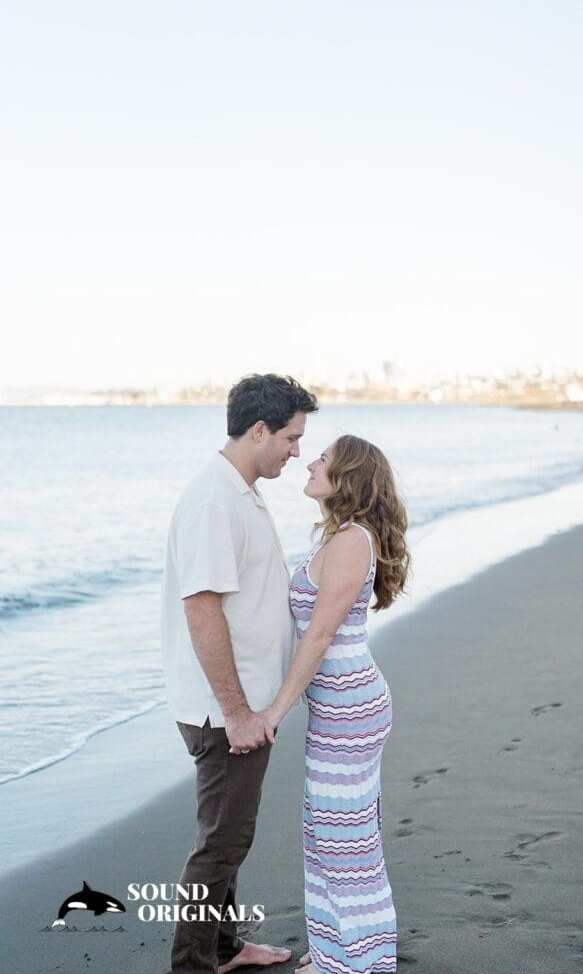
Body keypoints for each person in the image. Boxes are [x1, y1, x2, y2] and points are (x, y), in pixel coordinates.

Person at [160, 373, 318, 974]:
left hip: (243, 703)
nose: (297, 450)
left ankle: (225, 948)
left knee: (227, 836)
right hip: (225, 710)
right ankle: (193, 965)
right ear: (260, 430)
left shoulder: (241, 492)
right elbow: (201, 609)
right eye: (292, 437)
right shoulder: (213, 500)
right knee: (222, 843)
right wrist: (237, 712)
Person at [260, 434, 411, 974]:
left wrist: (275, 710)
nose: (311, 461)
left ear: (345, 477)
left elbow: (319, 636)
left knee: (347, 846)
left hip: (350, 710)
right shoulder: (340, 537)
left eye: (323, 458)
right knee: (328, 834)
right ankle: (334, 954)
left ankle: (364, 963)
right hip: (339, 708)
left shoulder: (350, 542)